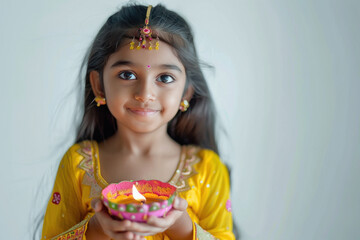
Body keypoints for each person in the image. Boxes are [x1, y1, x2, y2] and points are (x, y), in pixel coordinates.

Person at [41, 3, 235, 240]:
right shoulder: (78, 164)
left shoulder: (207, 169)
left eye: (165, 77)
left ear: (186, 93)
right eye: (127, 75)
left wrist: (181, 227)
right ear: (99, 85)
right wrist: (97, 229)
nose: (145, 93)